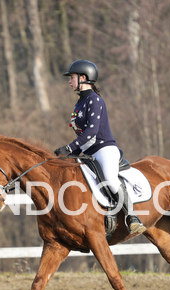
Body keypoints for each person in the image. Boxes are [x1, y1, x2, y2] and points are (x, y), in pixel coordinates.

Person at [54, 59, 145, 235]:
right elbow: (82, 135)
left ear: (83, 78)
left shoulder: (95, 100)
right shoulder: (79, 103)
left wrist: (70, 147)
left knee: (110, 179)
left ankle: (132, 216)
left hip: (104, 149)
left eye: (72, 78)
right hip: (87, 151)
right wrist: (70, 153)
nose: (69, 81)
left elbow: (92, 131)